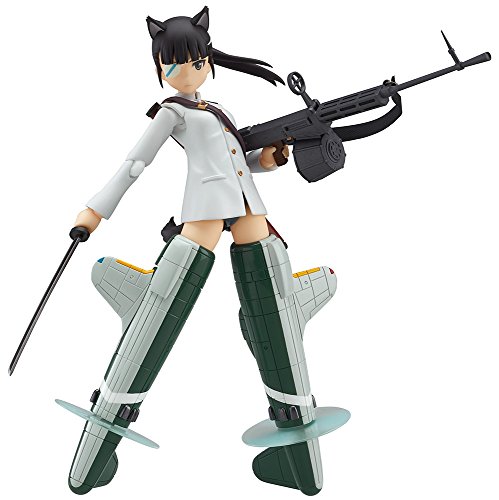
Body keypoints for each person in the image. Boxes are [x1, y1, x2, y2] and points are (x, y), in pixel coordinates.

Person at [68, 7, 342, 496]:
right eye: (173, 64)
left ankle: (301, 463)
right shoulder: (172, 113)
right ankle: (94, 455)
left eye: (195, 62)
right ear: (160, 66)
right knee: (161, 305)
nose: (186, 71)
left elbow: (240, 161)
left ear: (208, 61)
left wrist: (271, 158)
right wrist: (94, 211)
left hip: (250, 209)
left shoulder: (219, 111)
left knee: (277, 312)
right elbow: (135, 163)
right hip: (203, 214)